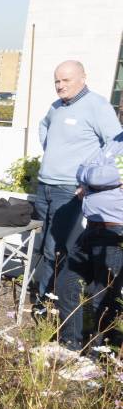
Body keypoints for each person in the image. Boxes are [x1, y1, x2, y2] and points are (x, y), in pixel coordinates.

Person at [32, 60, 122, 300]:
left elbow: (115, 144)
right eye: (57, 81)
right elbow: (44, 127)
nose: (60, 86)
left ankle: (50, 300)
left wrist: (89, 181)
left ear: (83, 78)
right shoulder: (56, 107)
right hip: (44, 186)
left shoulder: (97, 106)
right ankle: (45, 293)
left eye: (66, 80)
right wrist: (52, 152)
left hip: (70, 189)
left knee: (57, 248)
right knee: (43, 245)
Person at [55, 132, 123, 351]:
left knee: (102, 299)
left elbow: (93, 177)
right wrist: (97, 178)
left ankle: (97, 355)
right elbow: (83, 169)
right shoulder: (115, 140)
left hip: (115, 233)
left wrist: (91, 180)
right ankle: (70, 345)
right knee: (66, 284)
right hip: (91, 228)